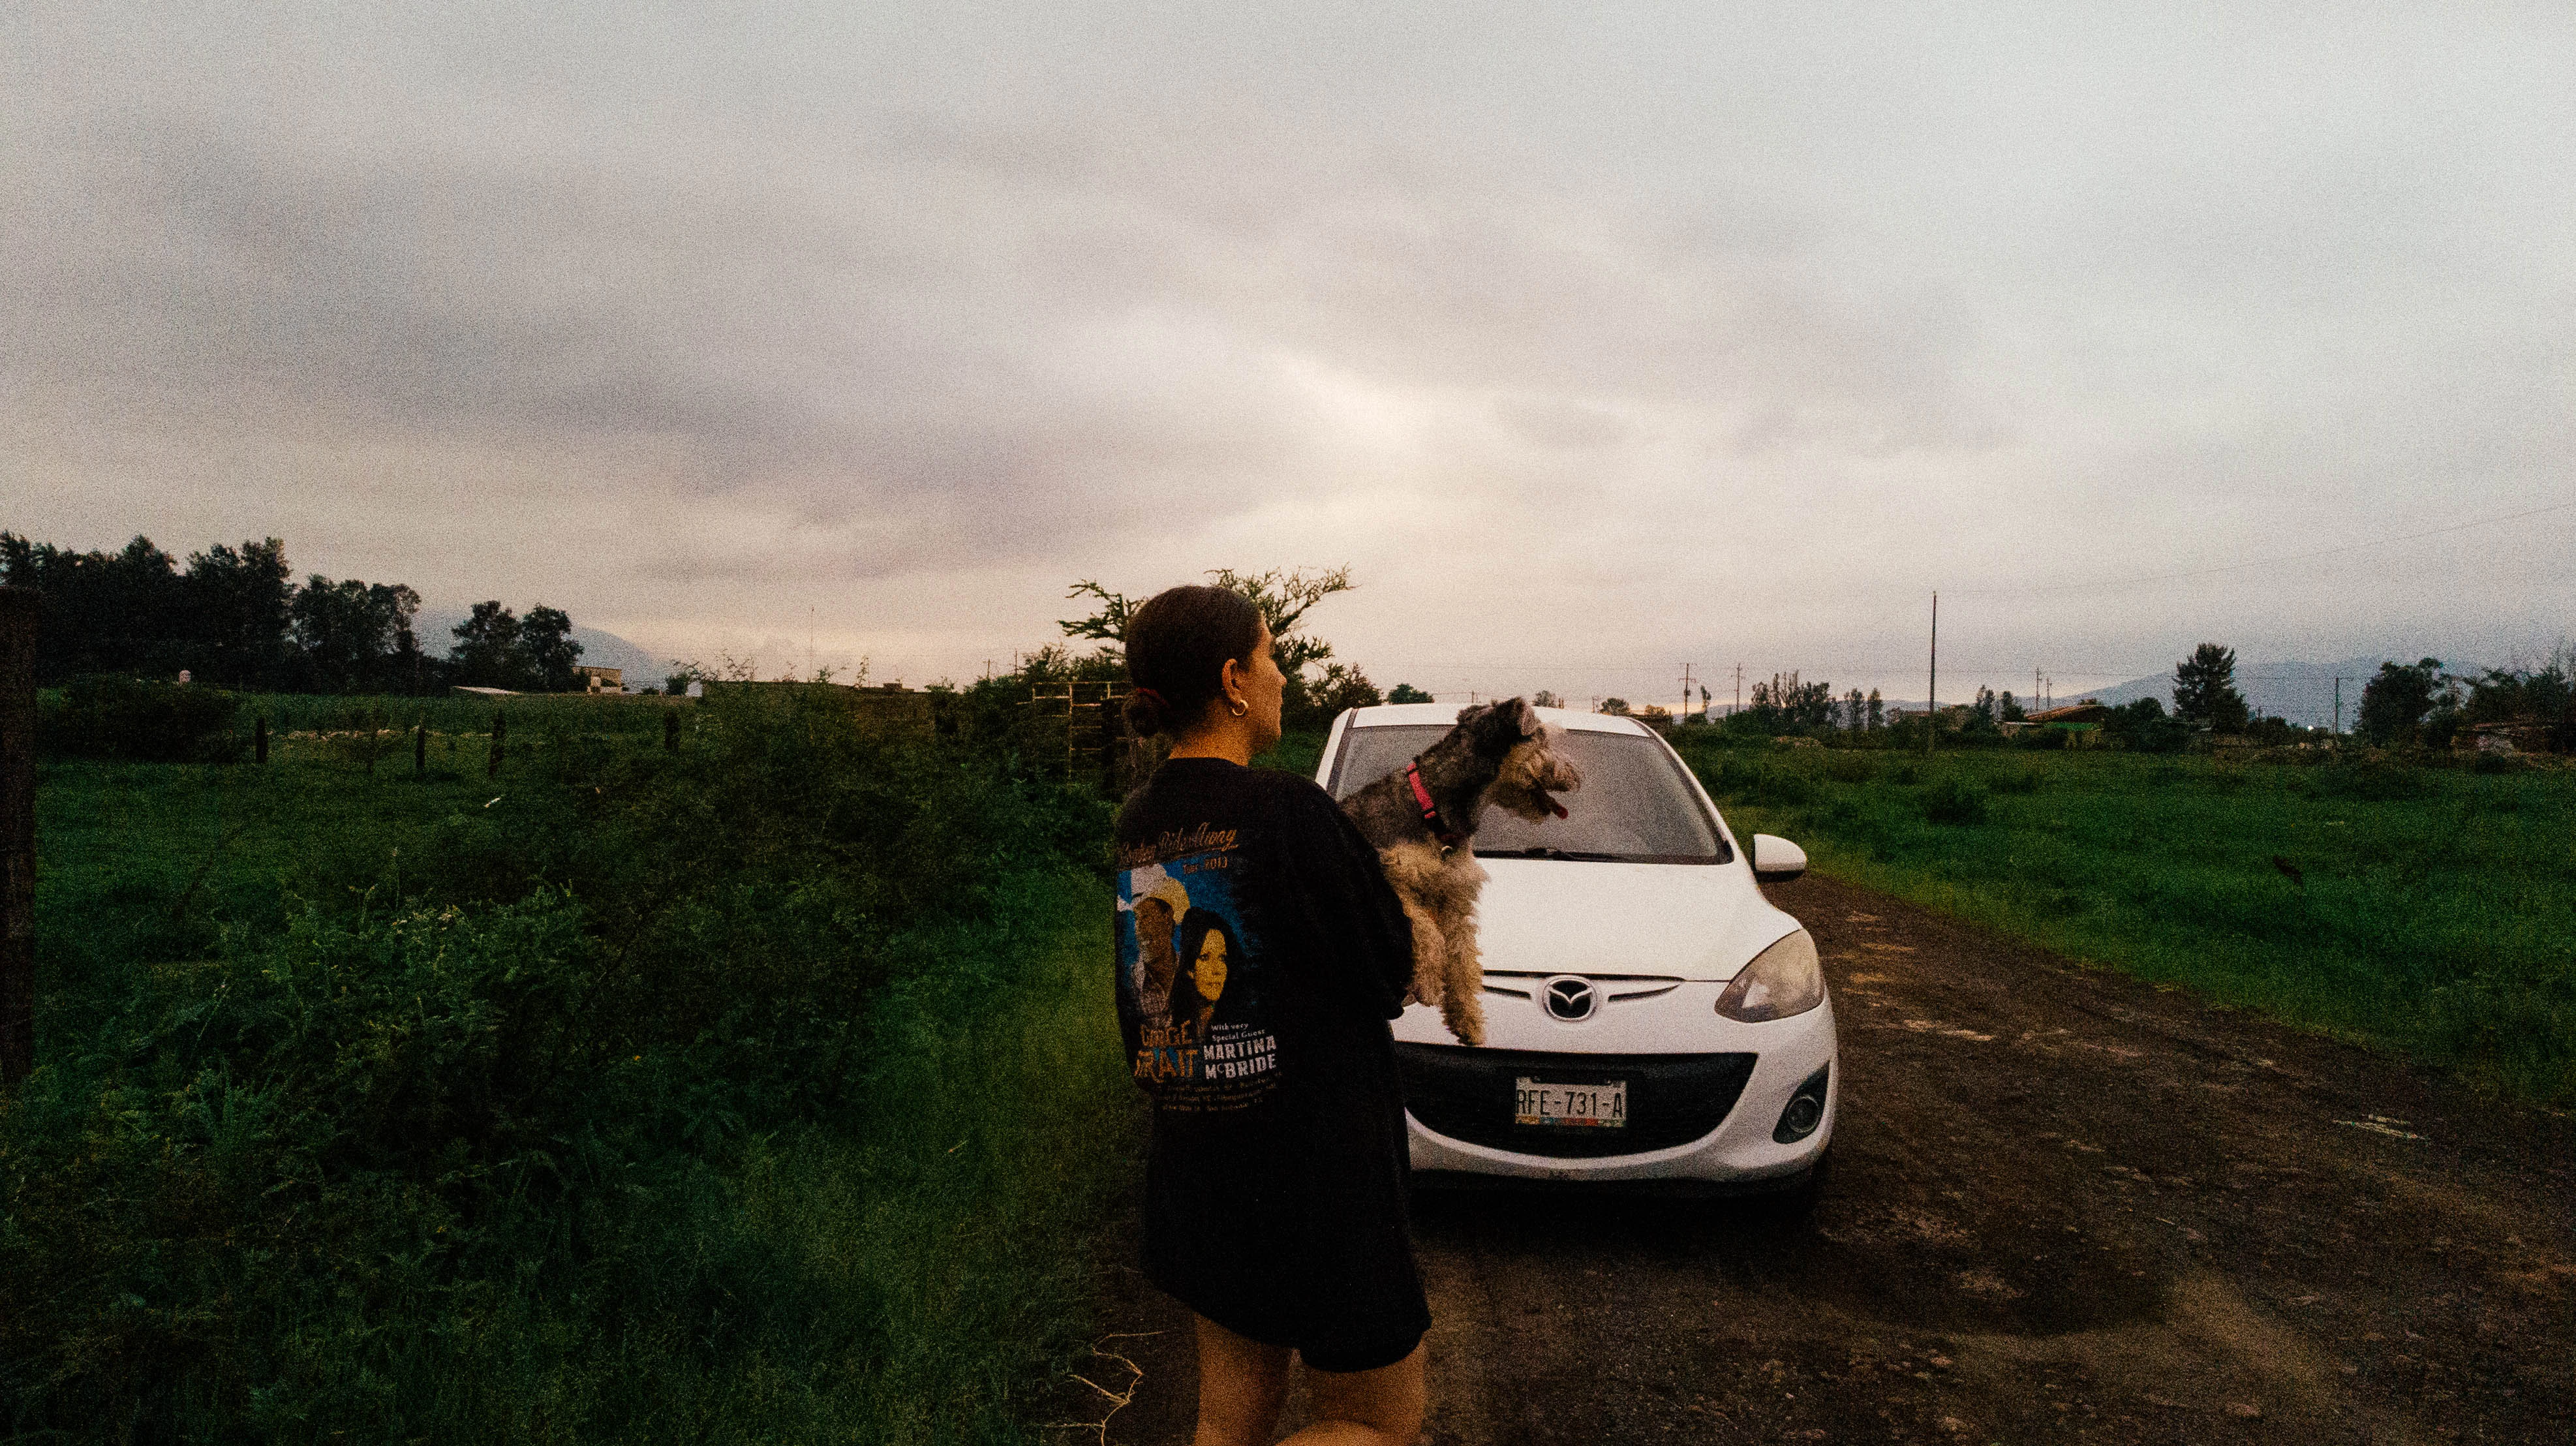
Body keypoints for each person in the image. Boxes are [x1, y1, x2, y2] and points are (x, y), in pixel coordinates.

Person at [1111, 583, 1427, 1446]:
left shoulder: (1140, 822)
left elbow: (1147, 1010)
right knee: (1376, 1423)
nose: (1283, 674)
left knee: (1229, 1417)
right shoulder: (1289, 812)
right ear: (1233, 679)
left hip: (1203, 1167)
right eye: (1271, 654)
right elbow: (1388, 967)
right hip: (1320, 1184)